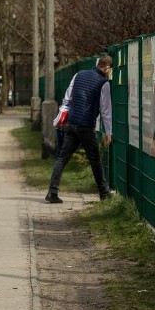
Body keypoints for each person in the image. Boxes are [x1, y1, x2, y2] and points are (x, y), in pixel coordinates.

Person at [46, 54, 114, 204]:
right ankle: (104, 193)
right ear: (107, 68)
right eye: (110, 70)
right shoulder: (104, 83)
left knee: (62, 158)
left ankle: (52, 191)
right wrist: (108, 132)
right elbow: (106, 110)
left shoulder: (79, 74)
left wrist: (64, 116)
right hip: (86, 125)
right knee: (95, 159)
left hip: (72, 122)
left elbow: (67, 97)